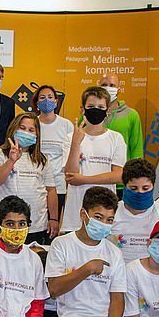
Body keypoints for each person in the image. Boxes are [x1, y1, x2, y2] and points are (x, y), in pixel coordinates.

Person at [45, 187, 150, 317]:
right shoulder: (62, 244)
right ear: (83, 215)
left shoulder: (113, 252)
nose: (103, 224)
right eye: (98, 217)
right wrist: (86, 269)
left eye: (109, 220)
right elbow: (54, 289)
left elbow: (118, 297)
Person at [60, 86, 127, 233]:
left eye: (100, 107)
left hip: (104, 213)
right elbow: (70, 175)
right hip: (76, 211)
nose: (95, 110)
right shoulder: (71, 138)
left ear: (107, 111)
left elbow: (119, 175)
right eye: (90, 106)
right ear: (82, 109)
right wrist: (76, 143)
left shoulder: (116, 138)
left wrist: (84, 179)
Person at [0, 113, 59, 245]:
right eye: (22, 128)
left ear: (37, 134)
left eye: (31, 130)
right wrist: (11, 161)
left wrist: (54, 218)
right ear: (13, 129)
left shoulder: (42, 160)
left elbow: (51, 190)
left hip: (38, 225)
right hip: (9, 226)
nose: (26, 132)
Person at [109, 158, 159, 263]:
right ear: (124, 186)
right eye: (133, 188)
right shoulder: (110, 215)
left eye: (145, 188)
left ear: (153, 186)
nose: (140, 192)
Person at [97, 73, 144, 196]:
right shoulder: (89, 115)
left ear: (119, 89)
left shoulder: (131, 115)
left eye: (112, 85)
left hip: (122, 182)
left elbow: (136, 149)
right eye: (104, 85)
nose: (108, 88)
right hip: (94, 180)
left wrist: (135, 178)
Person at [33, 85, 74, 213]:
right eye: (42, 97)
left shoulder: (66, 125)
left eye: (50, 97)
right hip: (35, 182)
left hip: (58, 184)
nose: (47, 100)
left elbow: (70, 154)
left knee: (53, 222)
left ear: (56, 102)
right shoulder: (32, 124)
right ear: (37, 103)